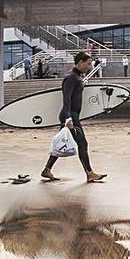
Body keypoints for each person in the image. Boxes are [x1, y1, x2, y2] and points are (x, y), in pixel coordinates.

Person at [43, 52, 106, 183]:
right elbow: (66, 98)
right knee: (82, 143)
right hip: (70, 115)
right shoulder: (71, 78)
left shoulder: (77, 77)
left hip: (72, 115)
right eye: (88, 64)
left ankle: (47, 169)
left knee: (61, 143)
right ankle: (89, 173)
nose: (89, 66)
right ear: (80, 62)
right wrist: (68, 118)